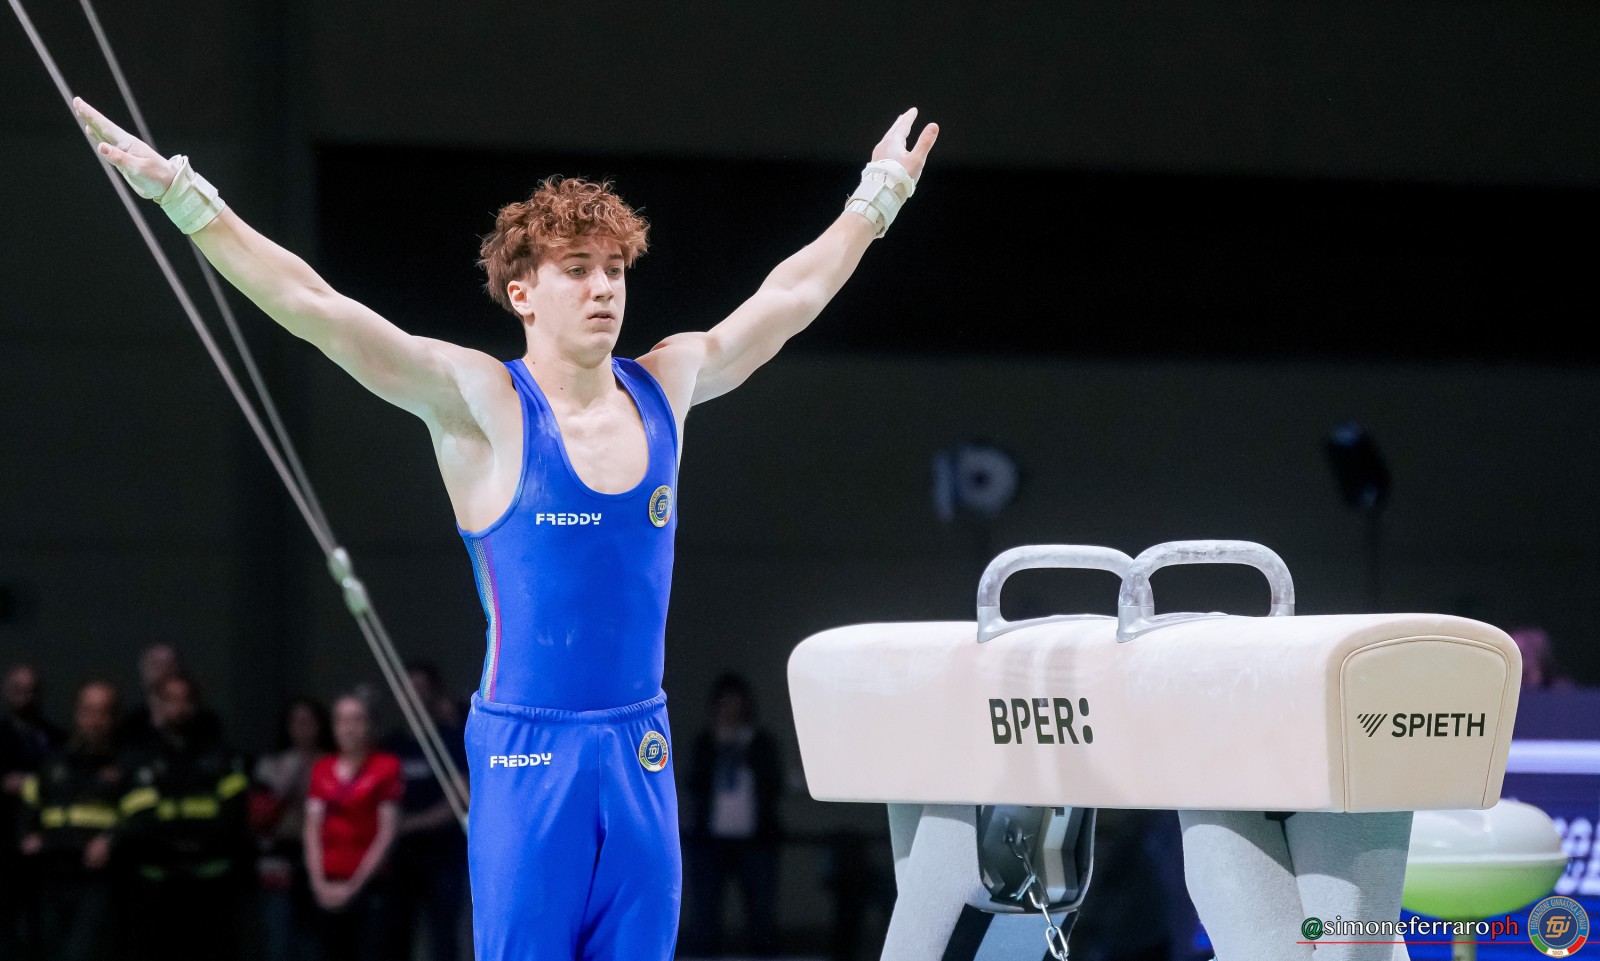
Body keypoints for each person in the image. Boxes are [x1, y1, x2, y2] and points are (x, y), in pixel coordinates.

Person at [73, 94, 938, 961]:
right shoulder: (480, 402)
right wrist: (182, 195)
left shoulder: (668, 383)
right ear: (522, 292)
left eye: (615, 268)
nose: (604, 287)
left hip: (641, 748)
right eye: (577, 268)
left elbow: (789, 296)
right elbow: (316, 306)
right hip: (528, 754)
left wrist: (878, 196)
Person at [116, 673, 252, 961]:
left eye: (185, 700)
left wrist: (196, 845)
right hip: (157, 887)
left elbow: (233, 816)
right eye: (171, 700)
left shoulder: (222, 756)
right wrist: (175, 845)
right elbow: (139, 820)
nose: (179, 708)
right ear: (159, 705)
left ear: (196, 704)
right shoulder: (139, 758)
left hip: (210, 887)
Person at [17, 680, 124, 961]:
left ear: (114, 718)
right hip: (52, 874)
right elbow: (29, 804)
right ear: (77, 714)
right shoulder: (53, 762)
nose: (95, 721)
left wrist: (110, 840)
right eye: (88, 711)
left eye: (103, 713)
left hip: (97, 880)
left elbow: (138, 816)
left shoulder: (125, 765)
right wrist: (26, 835)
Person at [683, 673, 786, 957]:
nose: (730, 710)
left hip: (756, 841)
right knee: (704, 917)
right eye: (724, 703)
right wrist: (720, 746)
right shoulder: (705, 743)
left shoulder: (761, 743)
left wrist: (742, 749)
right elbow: (693, 785)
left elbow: (774, 784)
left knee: (762, 917)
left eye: (736, 703)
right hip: (710, 842)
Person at [305, 693, 402, 961]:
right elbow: (312, 830)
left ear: (370, 724)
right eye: (342, 720)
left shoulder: (386, 767)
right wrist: (318, 884)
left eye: (357, 720)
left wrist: (353, 887)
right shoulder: (322, 768)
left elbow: (387, 833)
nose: (349, 728)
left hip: (369, 885)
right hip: (327, 885)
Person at [382, 663, 469, 961]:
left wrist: (406, 824)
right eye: (408, 688)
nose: (414, 695)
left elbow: (460, 798)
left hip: (442, 855)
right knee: (395, 935)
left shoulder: (451, 739)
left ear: (434, 693)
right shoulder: (390, 744)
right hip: (399, 857)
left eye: (421, 688)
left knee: (443, 938)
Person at [253, 696, 333, 961]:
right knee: (279, 940)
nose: (303, 728)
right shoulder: (271, 764)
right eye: (297, 722)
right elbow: (261, 815)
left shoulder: (332, 764)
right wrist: (292, 771)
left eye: (309, 721)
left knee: (316, 943)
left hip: (325, 860)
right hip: (280, 860)